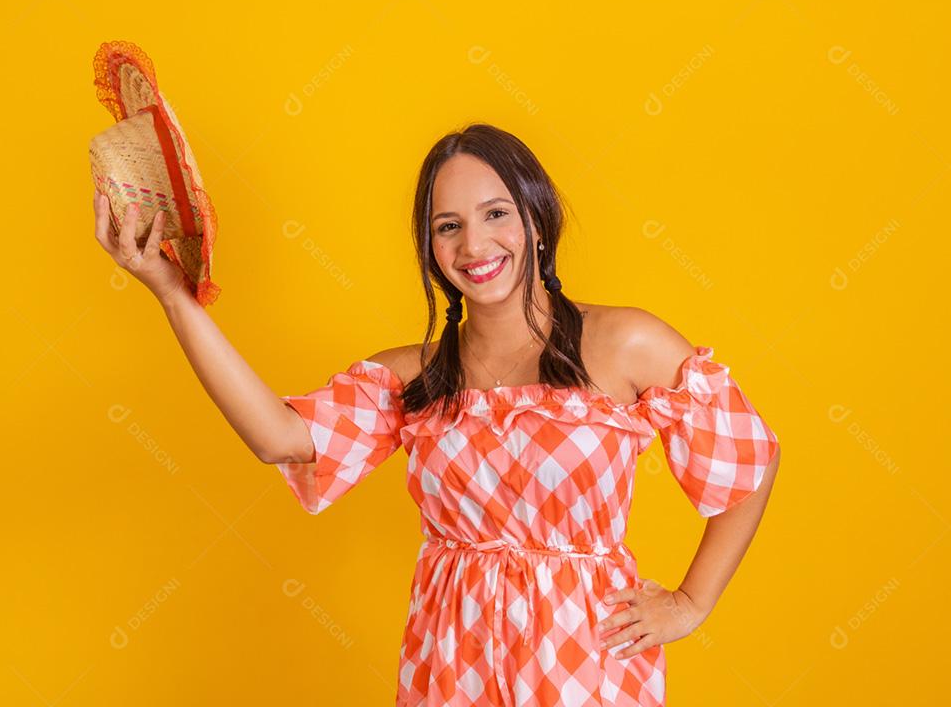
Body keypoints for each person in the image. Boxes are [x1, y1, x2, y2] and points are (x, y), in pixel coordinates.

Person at [93, 122, 782, 706]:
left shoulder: (625, 343)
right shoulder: (415, 377)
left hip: (586, 659)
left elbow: (751, 461)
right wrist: (171, 296)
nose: (474, 247)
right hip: (449, 659)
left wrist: (691, 603)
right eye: (447, 226)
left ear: (537, 217)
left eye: (496, 214)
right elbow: (279, 438)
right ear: (429, 247)